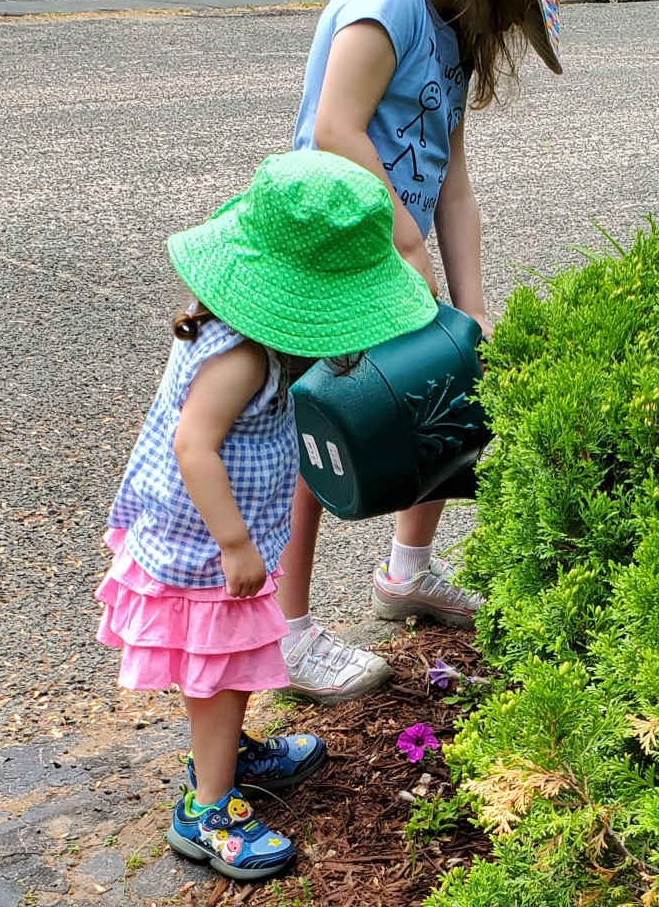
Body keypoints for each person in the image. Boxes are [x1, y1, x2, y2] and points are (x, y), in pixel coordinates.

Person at [279, 0, 586, 703]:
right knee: (320, 429)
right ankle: (288, 631)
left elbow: (453, 182)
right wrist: (407, 248)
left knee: (451, 394)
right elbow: (337, 130)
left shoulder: (450, 38)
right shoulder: (391, 1)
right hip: (336, 246)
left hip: (395, 249)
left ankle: (407, 573)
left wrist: (472, 309)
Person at [94, 151, 437, 882]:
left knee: (238, 664)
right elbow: (193, 445)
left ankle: (227, 752)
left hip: (227, 541)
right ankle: (207, 808)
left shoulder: (258, 348)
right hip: (205, 548)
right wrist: (235, 545)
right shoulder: (243, 360)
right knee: (220, 672)